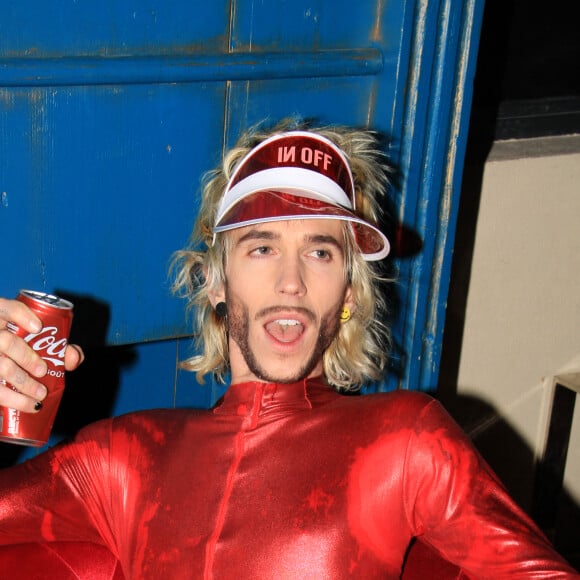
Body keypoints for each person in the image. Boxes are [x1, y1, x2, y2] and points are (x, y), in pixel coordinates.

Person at [0, 120, 577, 578]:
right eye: (261, 247)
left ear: (348, 292)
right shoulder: (123, 457)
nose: (292, 281)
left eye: (321, 252)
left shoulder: (404, 441)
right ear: (216, 282)